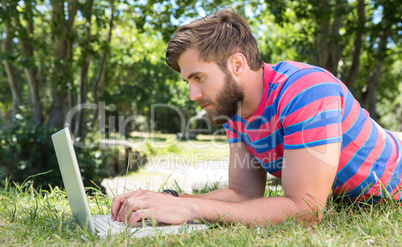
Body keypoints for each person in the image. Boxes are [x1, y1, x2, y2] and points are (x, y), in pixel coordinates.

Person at [111, 8, 402, 226]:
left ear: (237, 64)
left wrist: (192, 210)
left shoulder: (306, 90)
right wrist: (167, 202)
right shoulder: (233, 108)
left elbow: (306, 210)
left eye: (199, 77)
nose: (192, 94)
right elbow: (243, 194)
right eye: (188, 82)